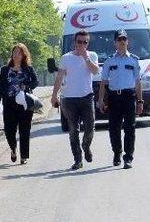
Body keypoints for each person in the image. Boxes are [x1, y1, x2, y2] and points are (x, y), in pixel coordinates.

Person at [51, 30, 100, 170]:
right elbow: (59, 77)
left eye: (85, 42)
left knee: (90, 128)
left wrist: (86, 58)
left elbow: (96, 71)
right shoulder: (66, 58)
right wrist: (54, 95)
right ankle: (78, 160)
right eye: (79, 42)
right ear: (75, 42)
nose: (82, 45)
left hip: (86, 97)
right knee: (73, 130)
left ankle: (86, 146)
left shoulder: (92, 55)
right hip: (69, 99)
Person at [97, 29, 143, 169]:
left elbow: (138, 82)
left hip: (129, 97)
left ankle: (128, 157)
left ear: (127, 42)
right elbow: (103, 82)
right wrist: (101, 100)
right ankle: (117, 152)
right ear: (115, 43)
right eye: (119, 40)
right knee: (114, 128)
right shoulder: (109, 61)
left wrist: (140, 101)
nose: (122, 42)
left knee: (130, 128)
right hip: (114, 98)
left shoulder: (134, 60)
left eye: (124, 39)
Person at [0, 43, 38, 165]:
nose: (16, 55)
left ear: (24, 54)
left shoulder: (28, 69)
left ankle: (24, 155)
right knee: (9, 130)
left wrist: (27, 85)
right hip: (9, 103)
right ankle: (13, 148)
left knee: (25, 130)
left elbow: (35, 82)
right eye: (14, 52)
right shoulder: (5, 70)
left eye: (19, 53)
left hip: (24, 104)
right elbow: (0, 88)